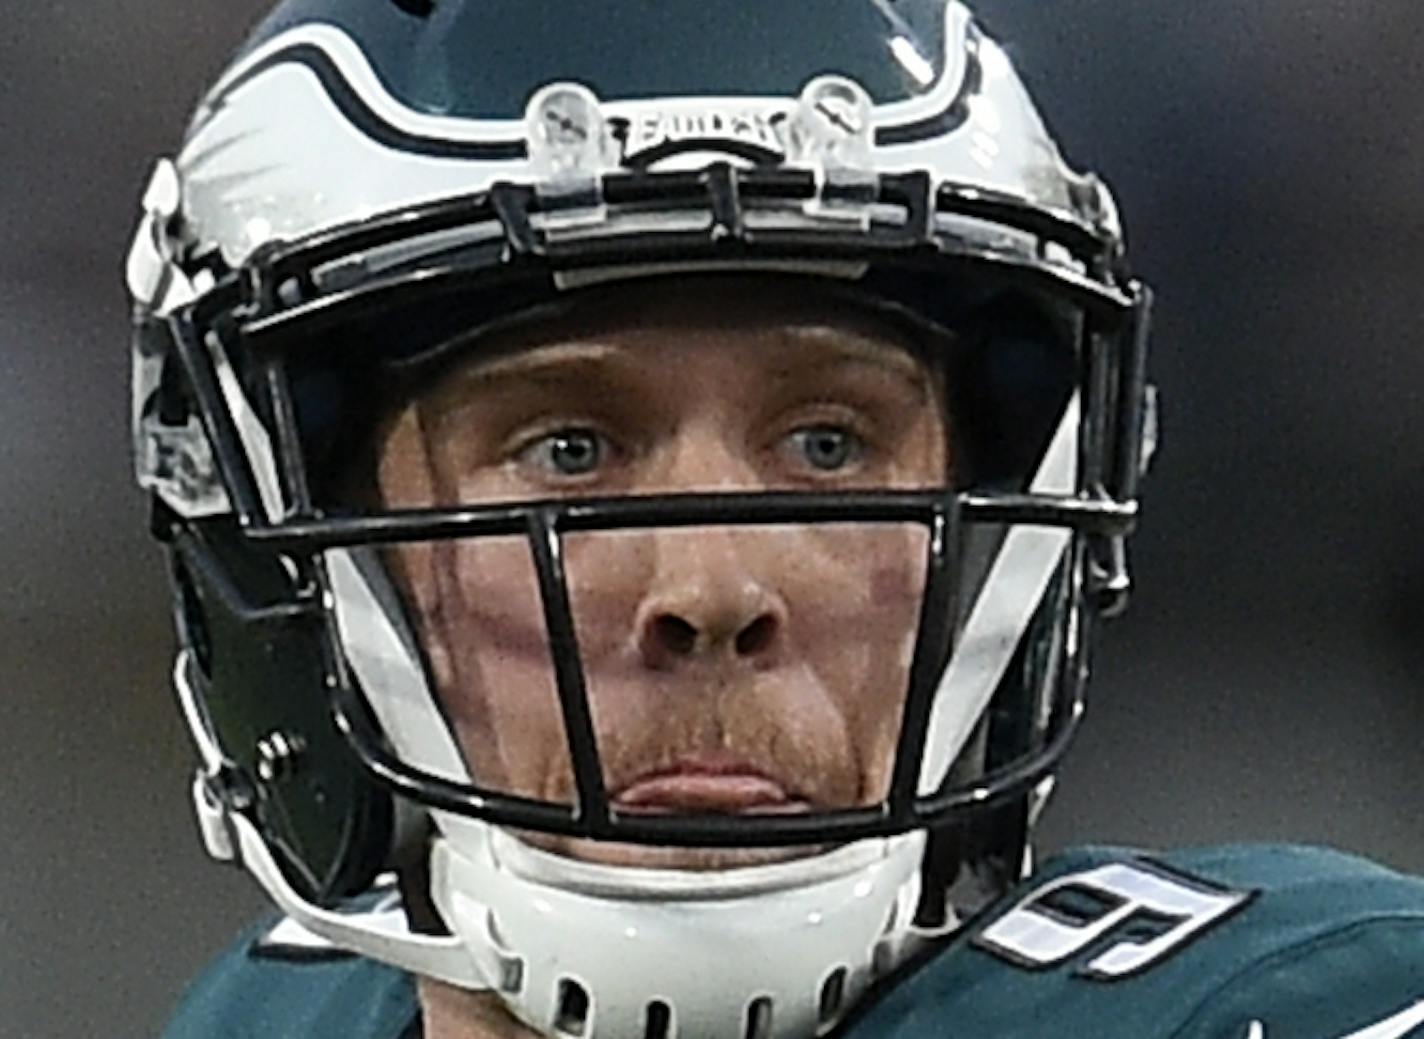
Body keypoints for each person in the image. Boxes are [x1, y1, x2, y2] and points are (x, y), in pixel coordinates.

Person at [125, 2, 1424, 1037]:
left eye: (829, 443)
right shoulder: (273, 1008)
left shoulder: (1295, 1005)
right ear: (276, 542)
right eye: (568, 449)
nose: (717, 585)